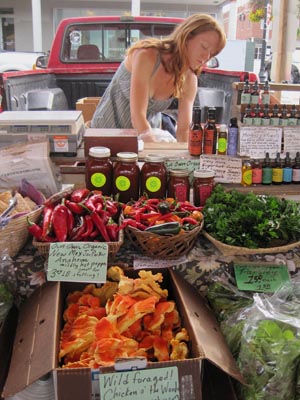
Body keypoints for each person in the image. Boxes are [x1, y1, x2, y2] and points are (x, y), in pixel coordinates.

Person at [91, 14, 226, 142]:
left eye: (212, 53)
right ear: (187, 37)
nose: (206, 56)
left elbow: (184, 130)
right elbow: (137, 116)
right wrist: (154, 151)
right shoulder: (147, 56)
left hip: (145, 140)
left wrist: (187, 159)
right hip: (107, 133)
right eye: (204, 47)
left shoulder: (189, 79)